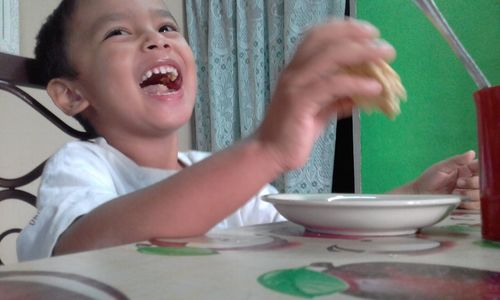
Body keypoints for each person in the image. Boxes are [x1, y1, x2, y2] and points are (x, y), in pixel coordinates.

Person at [17, 0, 479, 261]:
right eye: (116, 32)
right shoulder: (83, 166)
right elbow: (80, 249)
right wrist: (264, 148)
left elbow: (304, 235)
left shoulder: (207, 169)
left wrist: (412, 197)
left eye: (167, 26)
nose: (156, 39)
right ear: (71, 94)